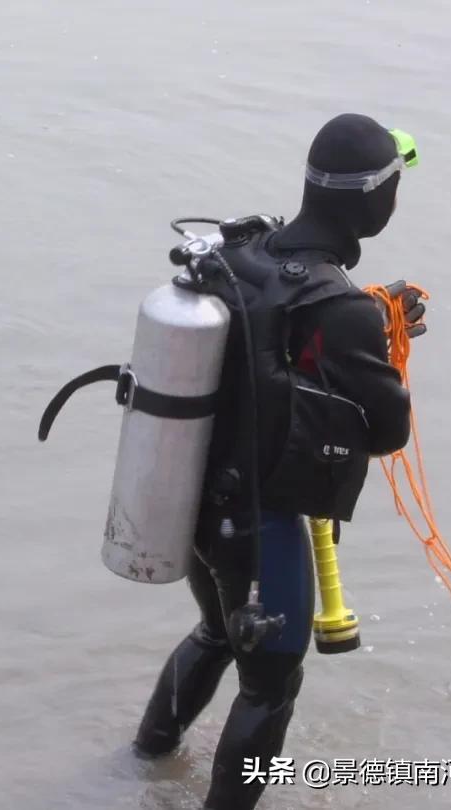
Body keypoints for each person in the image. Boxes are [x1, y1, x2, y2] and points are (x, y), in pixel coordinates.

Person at [130, 113, 427, 810]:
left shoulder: (245, 254)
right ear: (375, 199)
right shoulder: (340, 309)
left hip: (187, 499)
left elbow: (276, 353)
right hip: (257, 526)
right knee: (271, 688)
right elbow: (388, 432)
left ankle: (144, 756)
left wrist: (370, 321)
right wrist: (380, 343)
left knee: (216, 632)